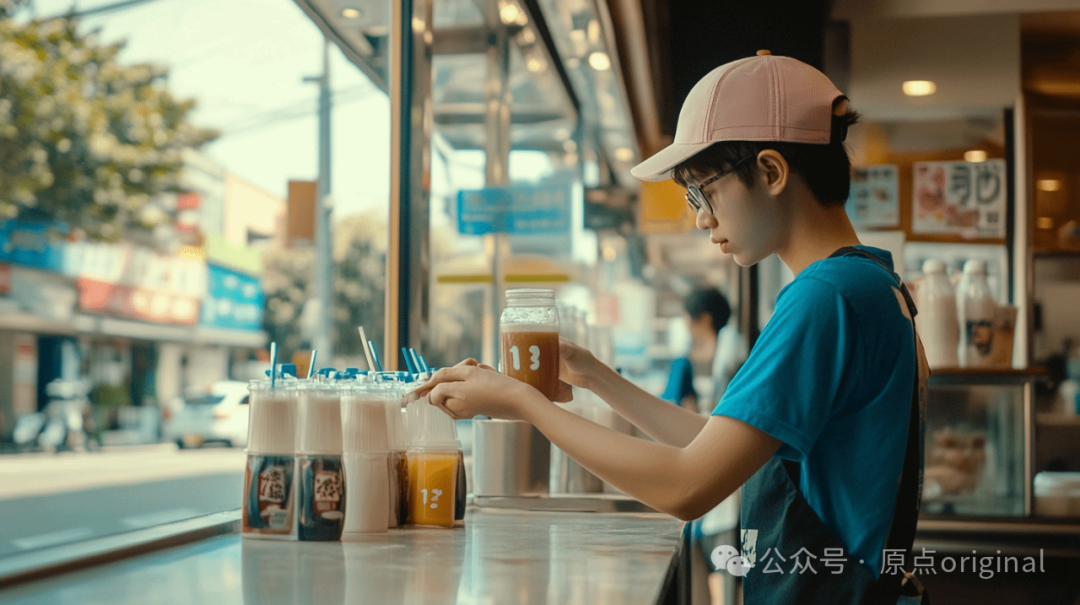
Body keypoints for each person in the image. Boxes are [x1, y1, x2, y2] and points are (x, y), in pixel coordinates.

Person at [418, 51, 929, 605]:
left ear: (772, 172)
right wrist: (596, 376)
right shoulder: (874, 284)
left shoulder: (825, 297)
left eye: (702, 191)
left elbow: (686, 486)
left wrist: (524, 402)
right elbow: (715, 445)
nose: (700, 217)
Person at [661, 287, 734, 414]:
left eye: (688, 320)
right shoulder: (729, 349)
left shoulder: (727, 356)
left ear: (705, 319)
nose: (687, 327)